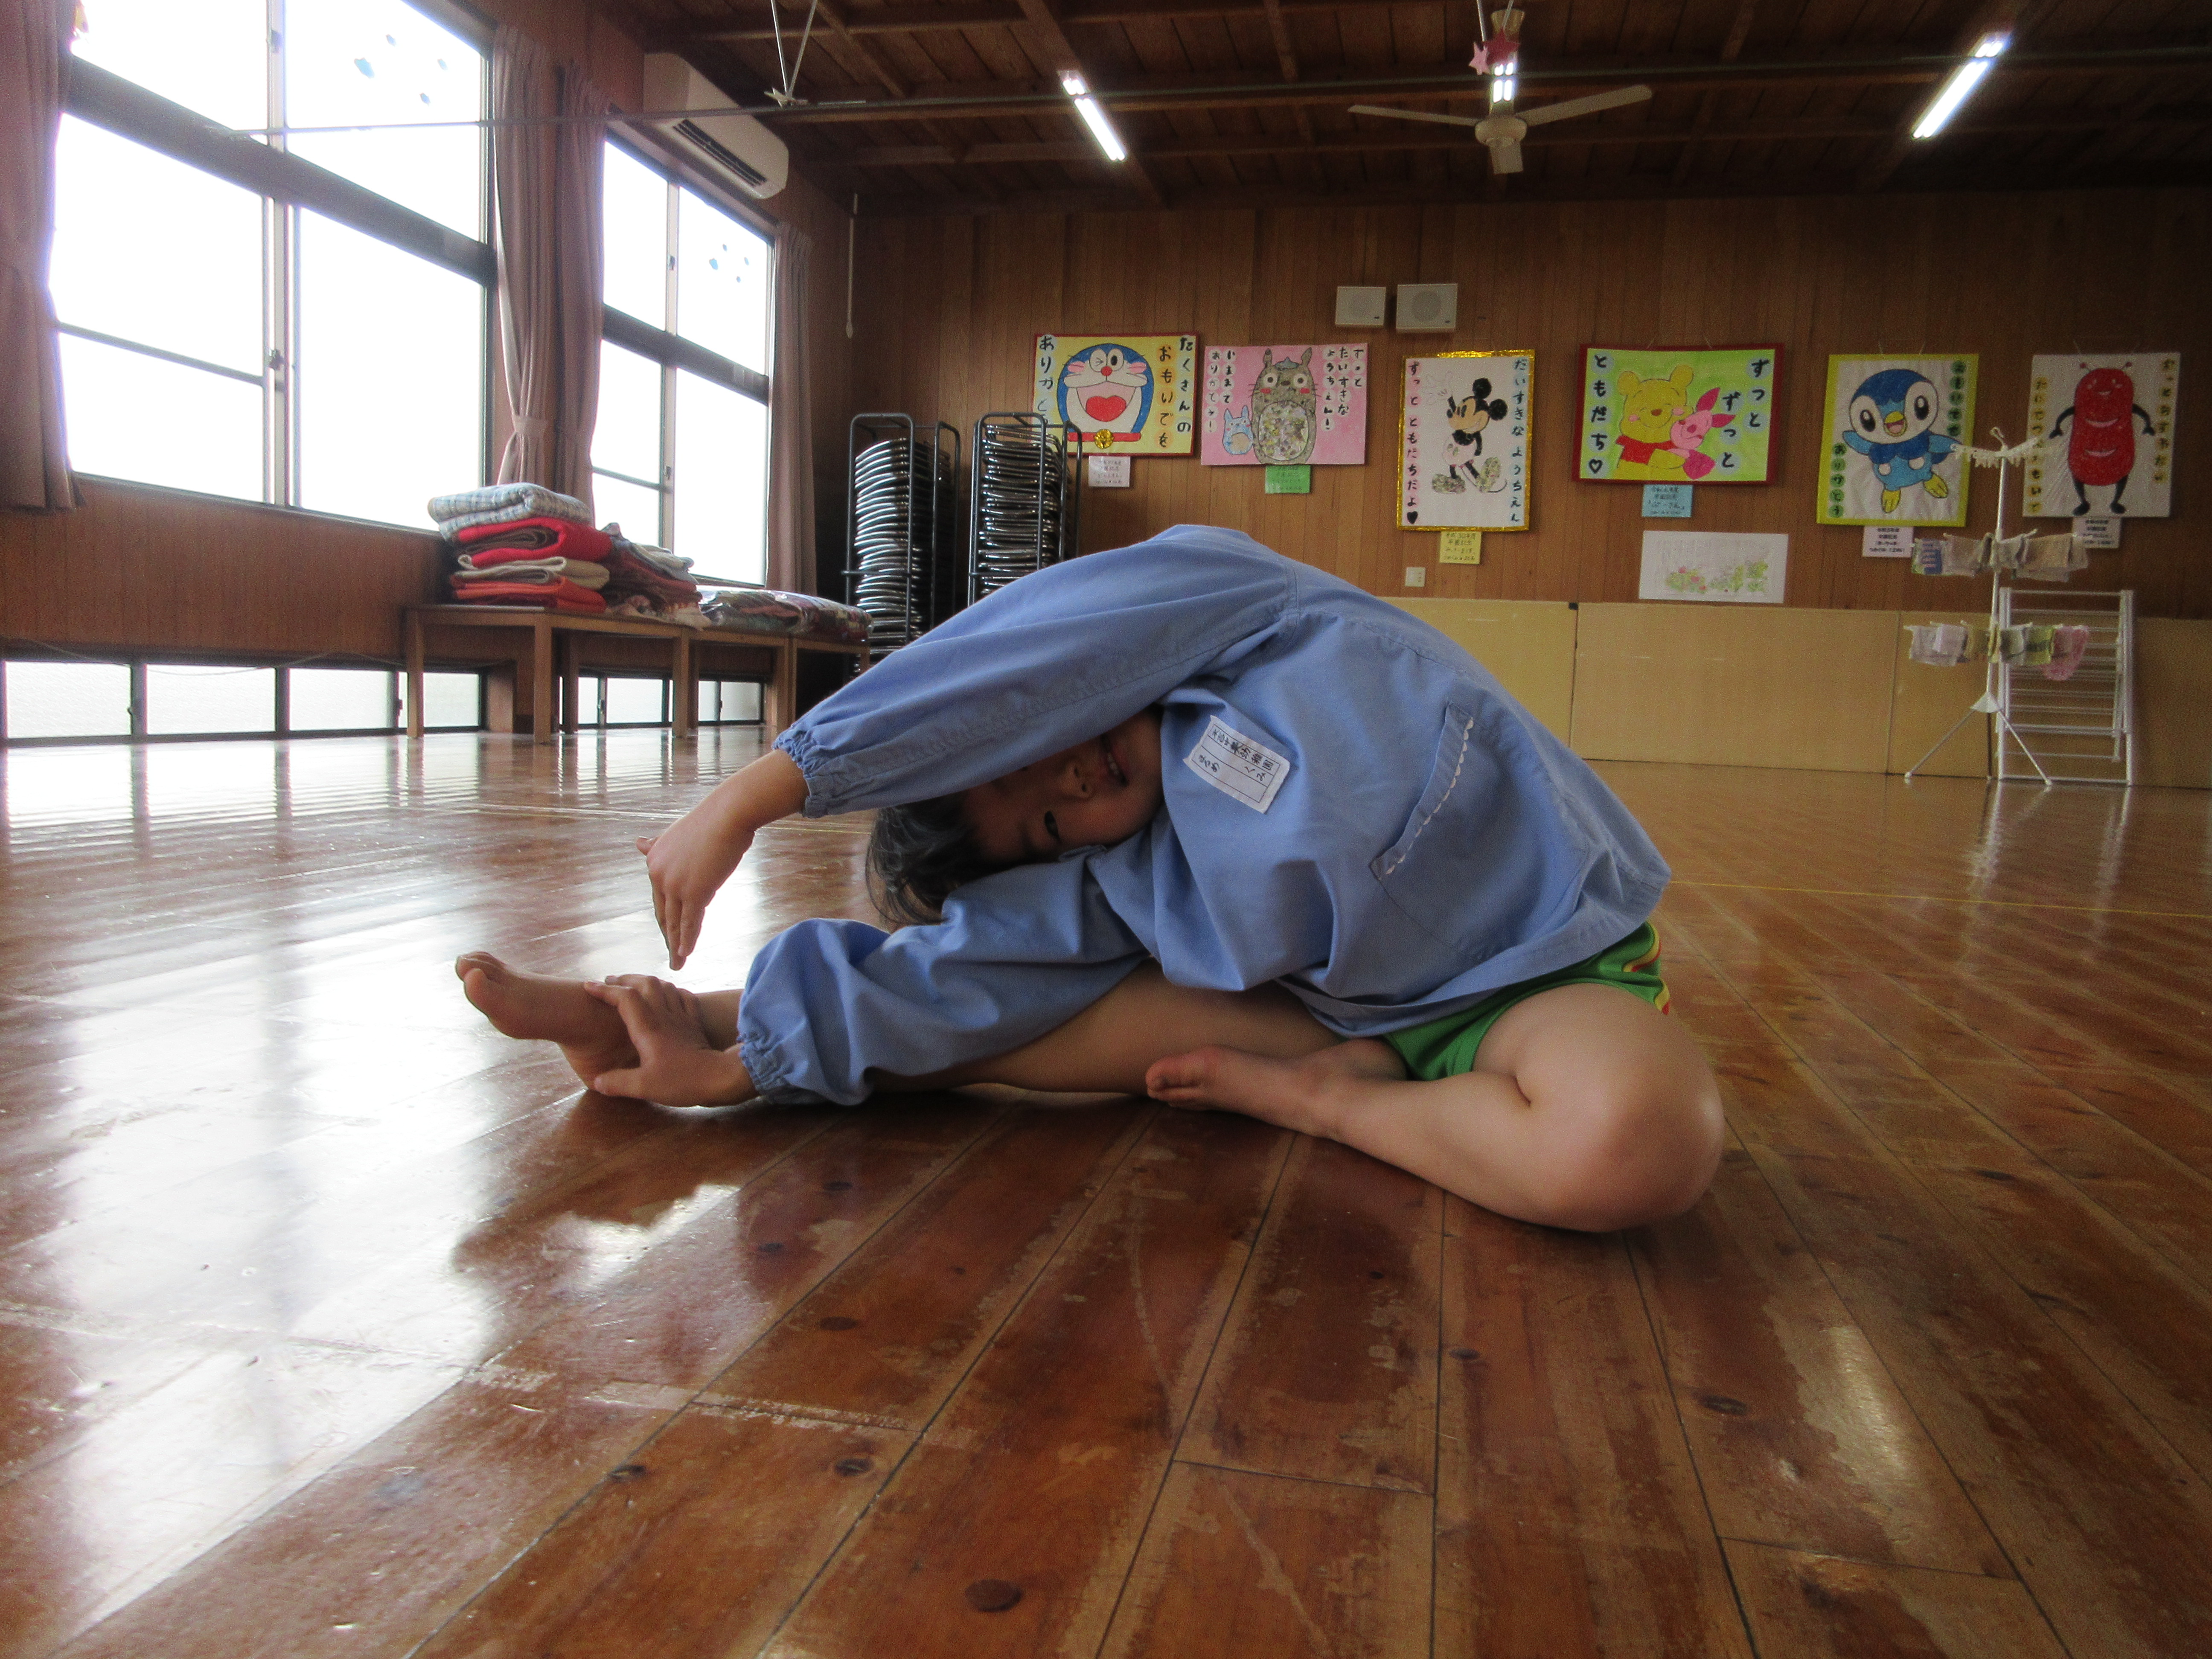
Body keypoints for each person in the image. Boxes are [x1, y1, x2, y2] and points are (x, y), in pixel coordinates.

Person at [460, 527, 1722, 1232]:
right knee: (1011, 1009)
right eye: (1043, 826)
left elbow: (1018, 659)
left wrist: (768, 785)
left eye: (1031, 753)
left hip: (1544, 972)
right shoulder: (1126, 876)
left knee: (1634, 1144)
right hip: (1338, 1017)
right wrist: (739, 1070)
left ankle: (1338, 1108)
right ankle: (705, 1027)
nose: (1068, 783)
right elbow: (965, 973)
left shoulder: (1239, 608)